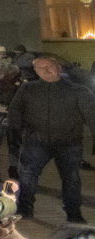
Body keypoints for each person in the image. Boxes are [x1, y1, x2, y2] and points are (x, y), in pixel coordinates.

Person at [6, 54, 95, 222]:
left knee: (71, 179)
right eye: (41, 68)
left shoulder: (78, 91)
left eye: (50, 66)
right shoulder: (27, 90)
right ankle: (25, 208)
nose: (45, 70)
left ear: (58, 68)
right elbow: (15, 111)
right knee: (27, 175)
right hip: (35, 142)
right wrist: (14, 131)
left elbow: (92, 115)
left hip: (69, 143)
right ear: (35, 71)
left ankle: (73, 213)